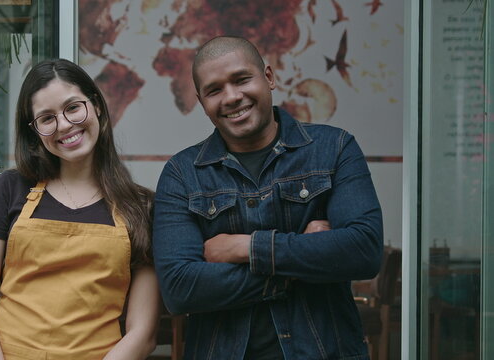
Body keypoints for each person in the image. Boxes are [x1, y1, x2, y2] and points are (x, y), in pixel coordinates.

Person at [152, 36, 383, 359]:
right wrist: (304, 260)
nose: (232, 97)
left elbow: (363, 250)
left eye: (241, 79)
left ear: (269, 78)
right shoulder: (182, 173)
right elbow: (180, 289)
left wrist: (245, 248)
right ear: (202, 102)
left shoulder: (334, 149)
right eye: (214, 89)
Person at [0, 59, 160, 360]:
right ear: (34, 130)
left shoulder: (141, 207)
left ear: (96, 106)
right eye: (46, 118)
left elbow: (142, 333)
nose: (64, 125)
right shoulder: (12, 187)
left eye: (73, 107)